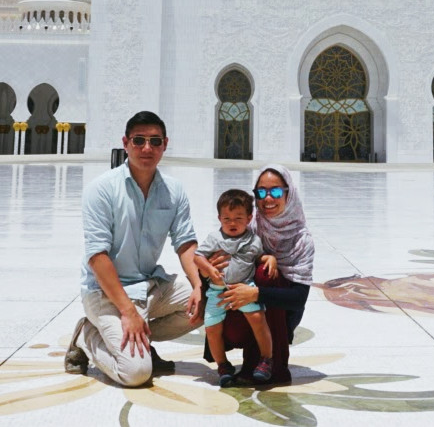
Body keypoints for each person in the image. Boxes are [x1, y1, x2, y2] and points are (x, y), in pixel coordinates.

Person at [65, 111, 202, 387]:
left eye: (154, 141)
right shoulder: (102, 190)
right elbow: (97, 257)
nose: (147, 148)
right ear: (126, 143)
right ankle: (86, 336)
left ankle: (131, 334)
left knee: (209, 304)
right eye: (139, 140)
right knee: (136, 372)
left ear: (165, 144)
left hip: (149, 286)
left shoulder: (173, 191)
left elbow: (185, 243)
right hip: (105, 292)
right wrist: (128, 312)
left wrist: (198, 285)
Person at [206, 165, 314, 384]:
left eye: (275, 192)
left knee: (265, 274)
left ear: (289, 193)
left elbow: (298, 298)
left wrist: (256, 294)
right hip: (244, 306)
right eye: (261, 192)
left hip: (280, 315)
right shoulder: (246, 226)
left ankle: (272, 365)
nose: (268, 199)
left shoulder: (302, 240)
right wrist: (211, 266)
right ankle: (229, 362)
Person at [196, 188, 275, 386]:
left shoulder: (253, 240)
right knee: (212, 328)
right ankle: (222, 364)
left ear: (249, 217)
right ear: (219, 218)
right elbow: (197, 257)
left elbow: (258, 258)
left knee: (258, 318)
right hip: (217, 292)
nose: (232, 223)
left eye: (238, 218)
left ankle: (266, 358)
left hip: (244, 288)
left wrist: (269, 258)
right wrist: (208, 269)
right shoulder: (215, 238)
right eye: (227, 218)